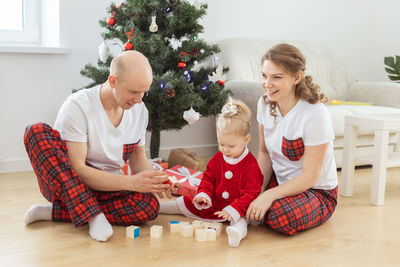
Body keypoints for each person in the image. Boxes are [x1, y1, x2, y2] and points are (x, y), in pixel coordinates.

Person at [23, 51, 172, 242]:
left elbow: (138, 159)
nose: (140, 99)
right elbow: (77, 169)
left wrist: (156, 180)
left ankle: (54, 213)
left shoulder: (139, 110)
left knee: (149, 206)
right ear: (113, 81)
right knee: (35, 131)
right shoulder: (78, 106)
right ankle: (92, 216)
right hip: (68, 184)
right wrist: (133, 183)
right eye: (134, 92)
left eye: (144, 92)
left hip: (108, 187)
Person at [246, 43, 338, 235]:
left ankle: (268, 206)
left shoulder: (314, 115)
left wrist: (268, 195)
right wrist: (256, 191)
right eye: (264, 75)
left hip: (316, 191)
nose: (267, 84)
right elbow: (264, 153)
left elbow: (310, 176)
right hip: (280, 182)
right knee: (237, 189)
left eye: (276, 77)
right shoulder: (264, 103)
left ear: (297, 77)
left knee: (279, 215)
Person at [160, 99, 264, 247]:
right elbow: (207, 179)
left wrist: (233, 209)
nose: (225, 150)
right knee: (187, 201)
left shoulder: (251, 165)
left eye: (231, 146)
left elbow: (251, 193)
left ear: (246, 139)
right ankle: (159, 208)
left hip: (239, 205)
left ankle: (237, 234)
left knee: (242, 219)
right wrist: (204, 194)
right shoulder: (218, 158)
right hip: (215, 203)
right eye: (221, 144)